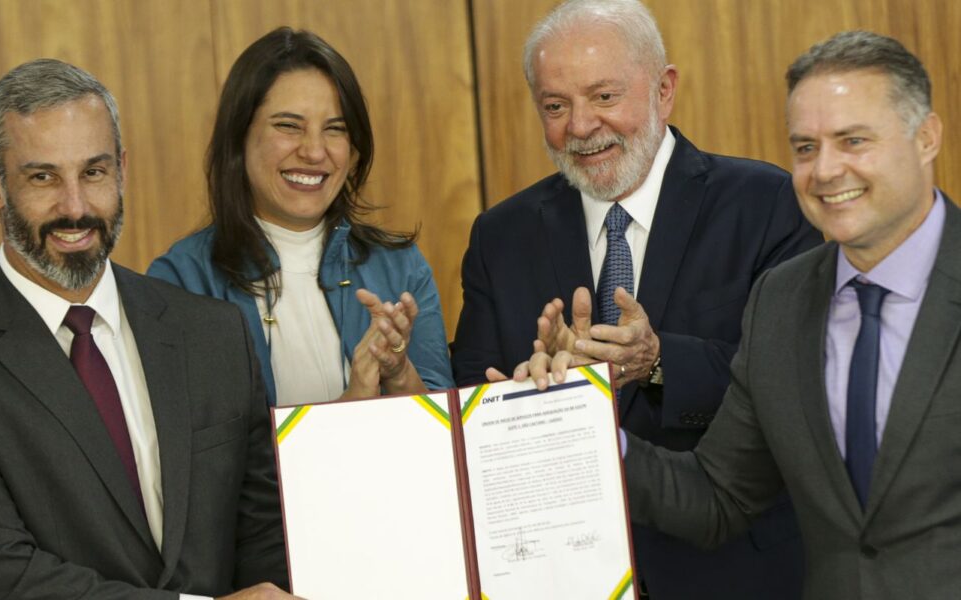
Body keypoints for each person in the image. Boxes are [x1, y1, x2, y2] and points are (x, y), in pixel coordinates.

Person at [529, 30, 957, 600]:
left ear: (926, 138)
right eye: (805, 148)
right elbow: (719, 496)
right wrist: (576, 418)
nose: (825, 170)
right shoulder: (783, 299)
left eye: (853, 141)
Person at [451, 0, 820, 597]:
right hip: (565, 577)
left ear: (664, 90)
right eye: (555, 106)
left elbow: (795, 389)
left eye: (604, 96)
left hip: (731, 572)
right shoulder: (501, 235)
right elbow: (472, 402)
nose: (580, 126)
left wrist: (658, 361)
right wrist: (523, 396)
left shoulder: (767, 203)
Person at [0, 59, 296, 599]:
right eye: (43, 177)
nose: (75, 207)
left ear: (121, 169)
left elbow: (264, 534)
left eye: (93, 172)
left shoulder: (215, 334)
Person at [148, 28, 453, 407]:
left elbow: (445, 429)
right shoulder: (180, 282)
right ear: (239, 138)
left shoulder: (400, 267)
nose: (314, 151)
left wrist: (399, 373)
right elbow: (196, 440)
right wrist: (353, 402)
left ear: (354, 151)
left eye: (335, 129)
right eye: (289, 126)